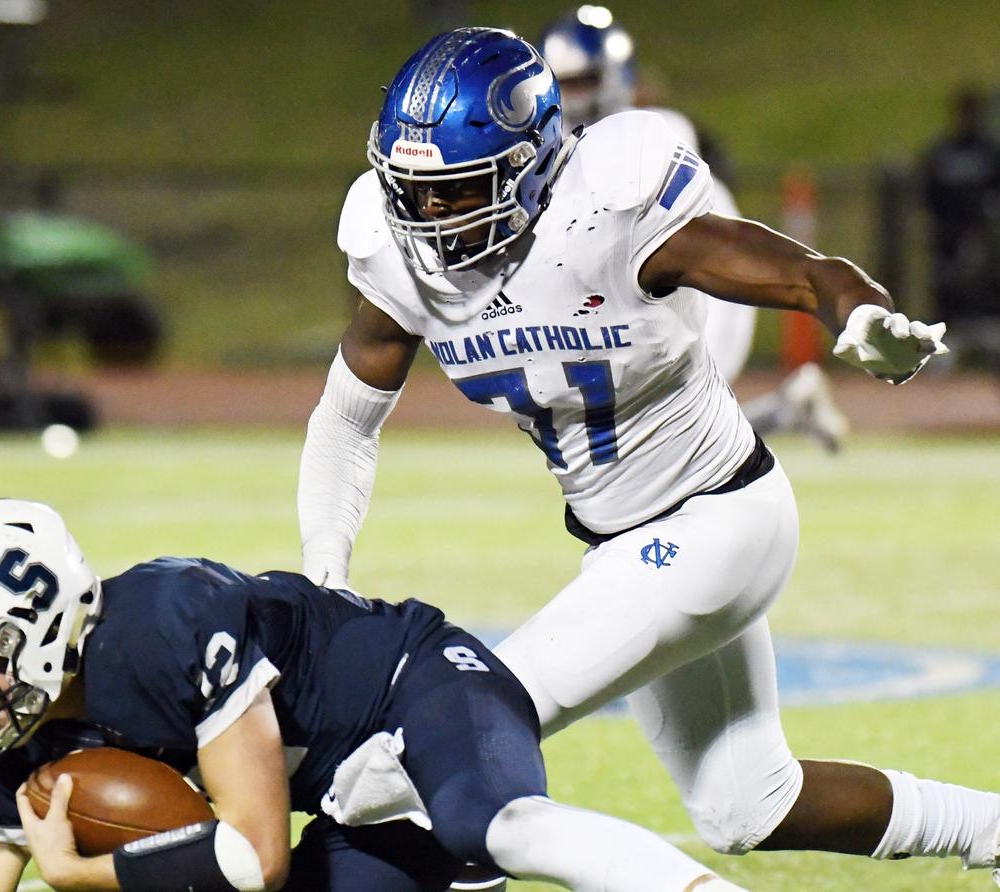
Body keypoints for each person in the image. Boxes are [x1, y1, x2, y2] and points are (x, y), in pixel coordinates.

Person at [296, 25, 1000, 889]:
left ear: (530, 166)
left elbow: (801, 270)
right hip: (628, 541)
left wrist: (857, 314)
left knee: (429, 744)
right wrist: (324, 573)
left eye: (457, 191)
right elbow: (345, 419)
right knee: (750, 804)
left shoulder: (608, 211)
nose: (428, 216)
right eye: (414, 190)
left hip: (717, 522)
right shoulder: (399, 254)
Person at [0, 497, 749, 892]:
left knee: (493, 824)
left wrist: (83, 874)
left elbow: (253, 856)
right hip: (347, 808)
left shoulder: (165, 626)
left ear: (44, 622)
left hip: (415, 694)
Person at [538, 5, 848, 450]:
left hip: (701, 289)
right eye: (560, 83)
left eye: (582, 81)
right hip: (639, 292)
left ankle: (782, 415)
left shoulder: (656, 133)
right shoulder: (571, 147)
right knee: (650, 437)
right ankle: (787, 407)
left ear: (614, 76)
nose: (570, 96)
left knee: (667, 432)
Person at [919, 83, 1000, 377]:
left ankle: (988, 351)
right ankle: (944, 352)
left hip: (984, 240)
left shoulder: (990, 152)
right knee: (946, 291)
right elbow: (929, 196)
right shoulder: (941, 153)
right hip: (947, 241)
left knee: (986, 293)